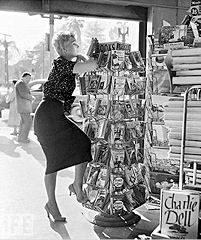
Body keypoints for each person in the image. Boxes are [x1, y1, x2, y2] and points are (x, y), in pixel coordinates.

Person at [33, 32, 98, 222]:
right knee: (54, 162)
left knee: (82, 144)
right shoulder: (62, 64)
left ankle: (76, 185)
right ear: (63, 48)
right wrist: (83, 56)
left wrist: (78, 56)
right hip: (48, 115)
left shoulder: (68, 65)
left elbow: (86, 68)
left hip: (53, 114)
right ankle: (55, 201)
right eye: (73, 44)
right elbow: (92, 64)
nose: (76, 46)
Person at [15, 72, 34, 143]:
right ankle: (23, 138)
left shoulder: (21, 83)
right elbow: (23, 94)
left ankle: (21, 138)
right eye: (28, 78)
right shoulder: (21, 83)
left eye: (30, 78)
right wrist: (31, 97)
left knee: (23, 123)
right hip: (24, 107)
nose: (29, 80)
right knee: (28, 122)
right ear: (24, 77)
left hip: (23, 107)